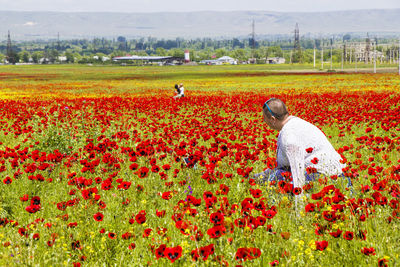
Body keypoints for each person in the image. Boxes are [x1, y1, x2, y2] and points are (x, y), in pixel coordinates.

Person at [254, 98, 348, 192]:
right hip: (342, 177)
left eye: (264, 119)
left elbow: (298, 173)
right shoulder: (297, 123)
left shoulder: (288, 136)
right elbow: (283, 166)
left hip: (326, 179)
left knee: (276, 178)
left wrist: (299, 205)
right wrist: (261, 176)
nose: (264, 122)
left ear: (273, 119)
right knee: (279, 174)